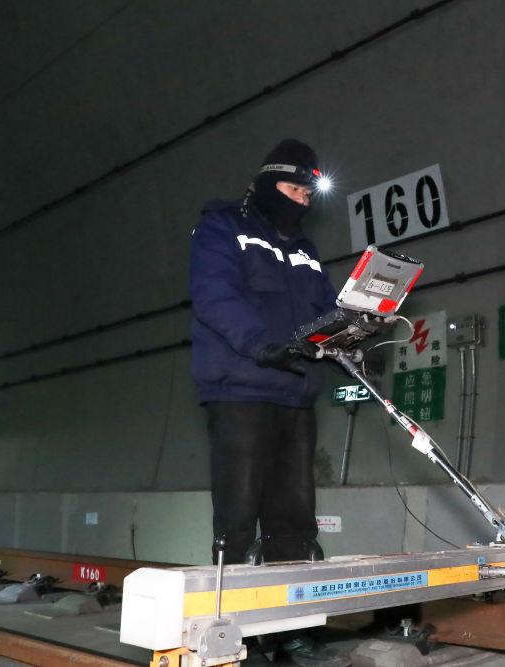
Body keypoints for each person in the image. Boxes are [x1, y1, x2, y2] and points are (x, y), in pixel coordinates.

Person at [189, 139, 349, 665]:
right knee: (237, 520)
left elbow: (325, 309)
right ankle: (230, 633)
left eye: (307, 193)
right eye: (293, 189)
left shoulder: (305, 250)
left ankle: (289, 631)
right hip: (241, 390)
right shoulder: (223, 227)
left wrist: (351, 336)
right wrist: (261, 345)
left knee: (294, 521)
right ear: (266, 183)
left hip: (295, 397)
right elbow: (215, 296)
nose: (302, 200)